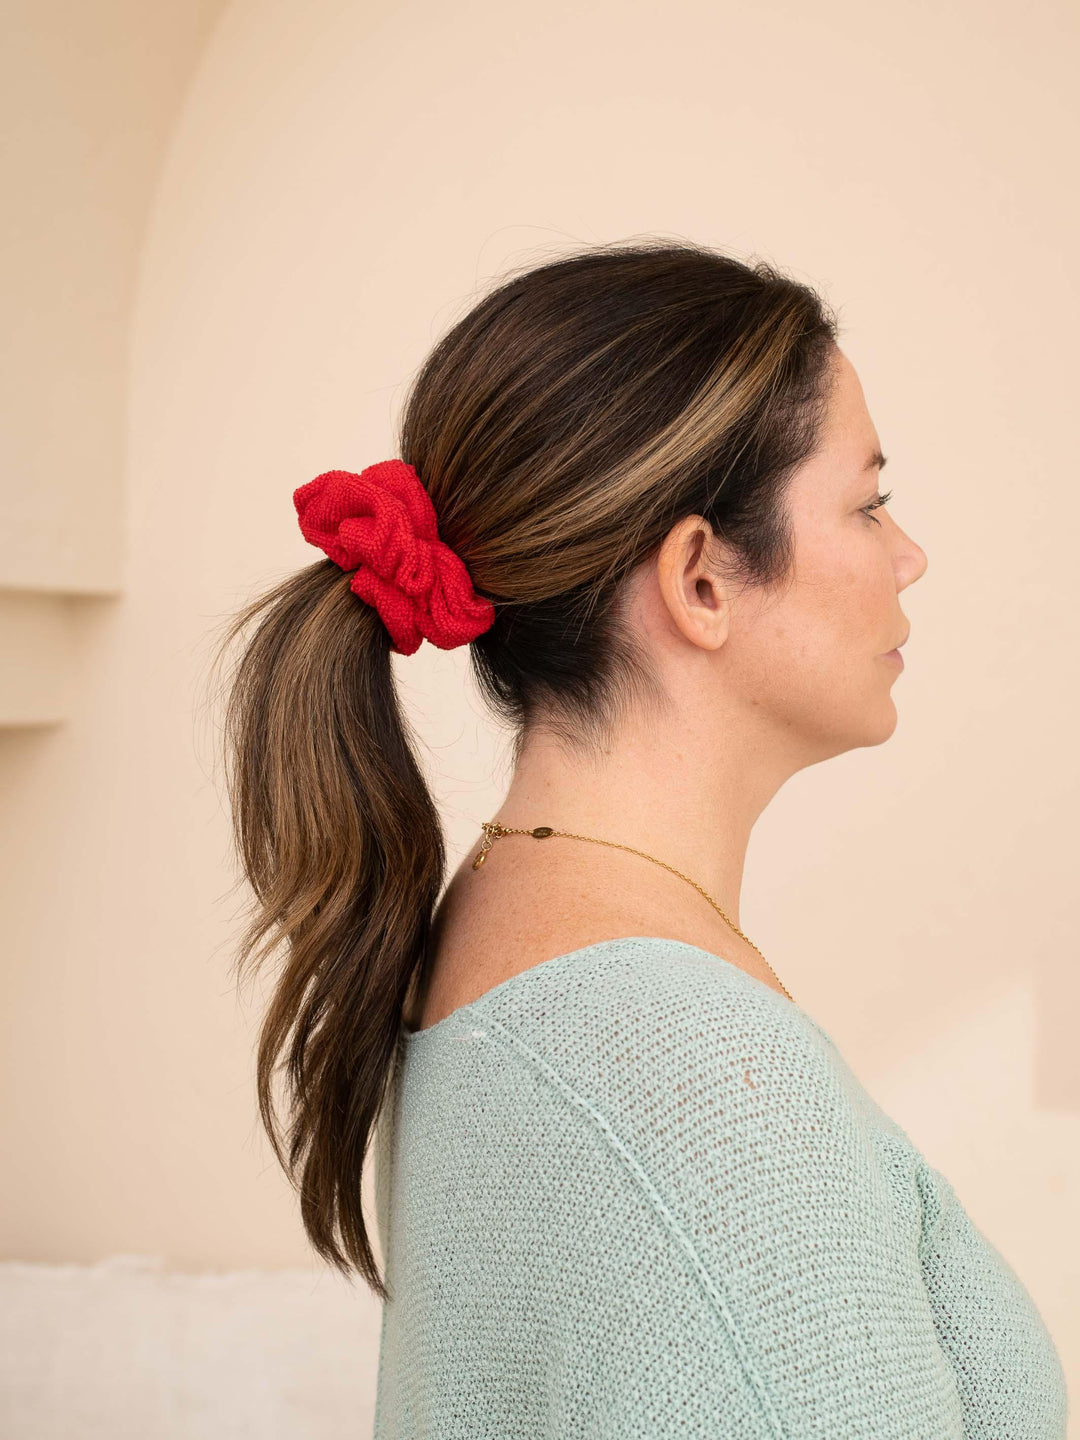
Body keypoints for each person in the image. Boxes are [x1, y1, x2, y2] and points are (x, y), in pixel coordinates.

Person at [212, 240, 1068, 1437]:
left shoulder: (491, 933)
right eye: (869, 503)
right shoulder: (699, 1080)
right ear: (701, 579)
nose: (908, 553)